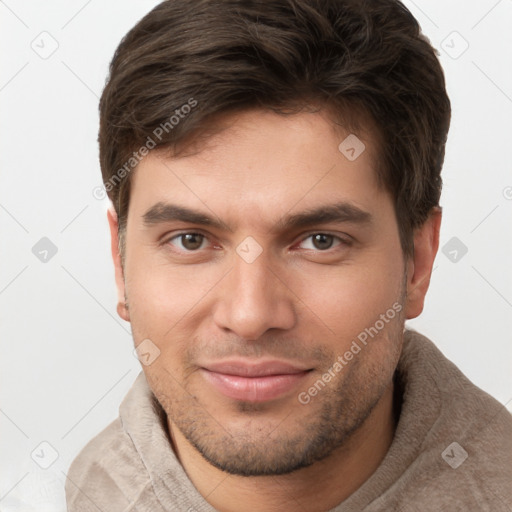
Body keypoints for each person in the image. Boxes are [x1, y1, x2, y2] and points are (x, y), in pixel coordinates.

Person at [65, 0, 512, 510]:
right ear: (121, 264)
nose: (251, 316)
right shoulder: (90, 487)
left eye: (321, 241)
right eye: (190, 239)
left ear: (419, 263)